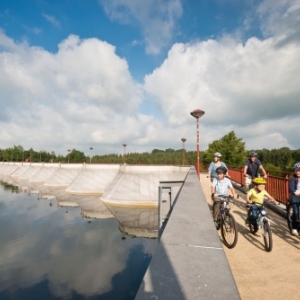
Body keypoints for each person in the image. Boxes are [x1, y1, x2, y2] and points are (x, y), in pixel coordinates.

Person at [288, 162, 300, 236]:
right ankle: (294, 228)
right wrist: (294, 192)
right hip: (295, 196)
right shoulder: (293, 178)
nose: (298, 172)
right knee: (296, 213)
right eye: (296, 170)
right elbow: (291, 187)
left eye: (299, 170)